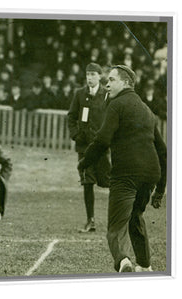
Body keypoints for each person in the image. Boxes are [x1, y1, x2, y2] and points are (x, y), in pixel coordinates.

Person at [78, 65, 167, 272]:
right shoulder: (147, 109)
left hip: (126, 173)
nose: (106, 84)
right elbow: (163, 152)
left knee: (116, 226)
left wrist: (84, 162)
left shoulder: (116, 105)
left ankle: (123, 261)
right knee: (135, 217)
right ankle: (145, 266)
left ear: (126, 83)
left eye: (111, 80)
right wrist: (161, 189)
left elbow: (102, 140)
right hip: (150, 174)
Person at [67, 63, 111, 233]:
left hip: (101, 147)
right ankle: (90, 220)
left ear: (100, 76)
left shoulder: (107, 95)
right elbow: (71, 117)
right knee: (87, 181)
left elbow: (113, 118)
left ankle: (118, 219)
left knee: (108, 181)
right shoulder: (79, 94)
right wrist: (76, 135)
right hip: (84, 148)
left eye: (93, 75)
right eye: (88, 75)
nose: (90, 78)